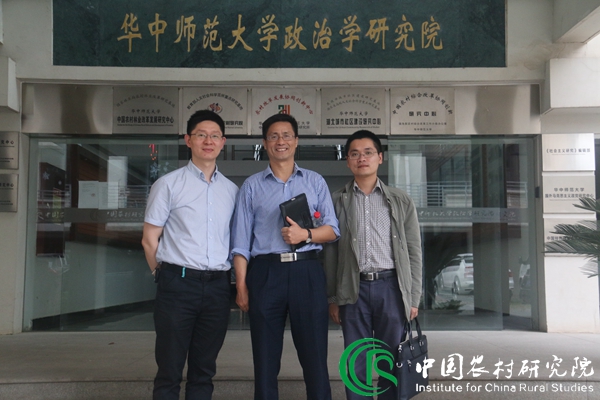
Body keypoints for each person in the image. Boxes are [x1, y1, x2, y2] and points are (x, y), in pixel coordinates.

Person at [232, 113, 340, 400]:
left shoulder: (315, 181)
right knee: (265, 358)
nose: (281, 141)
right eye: (274, 136)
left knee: (315, 356)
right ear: (265, 142)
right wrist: (241, 286)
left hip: (307, 272)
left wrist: (306, 234)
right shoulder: (251, 186)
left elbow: (332, 230)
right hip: (266, 274)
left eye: (287, 135)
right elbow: (240, 243)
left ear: (296, 141)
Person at [141, 110, 238, 400]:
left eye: (215, 136)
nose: (208, 141)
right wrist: (162, 275)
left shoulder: (232, 191)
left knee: (204, 370)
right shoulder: (168, 184)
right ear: (188, 140)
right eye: (201, 135)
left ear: (223, 142)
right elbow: (149, 239)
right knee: (169, 370)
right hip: (177, 285)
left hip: (218, 288)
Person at [324, 130, 422, 399]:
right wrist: (333, 297)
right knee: (357, 360)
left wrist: (413, 296)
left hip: (391, 287)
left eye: (368, 153)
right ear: (347, 161)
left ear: (380, 157)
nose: (362, 158)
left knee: (391, 359)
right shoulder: (336, 200)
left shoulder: (401, 200)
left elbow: (414, 251)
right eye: (355, 154)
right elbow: (330, 253)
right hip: (352, 289)